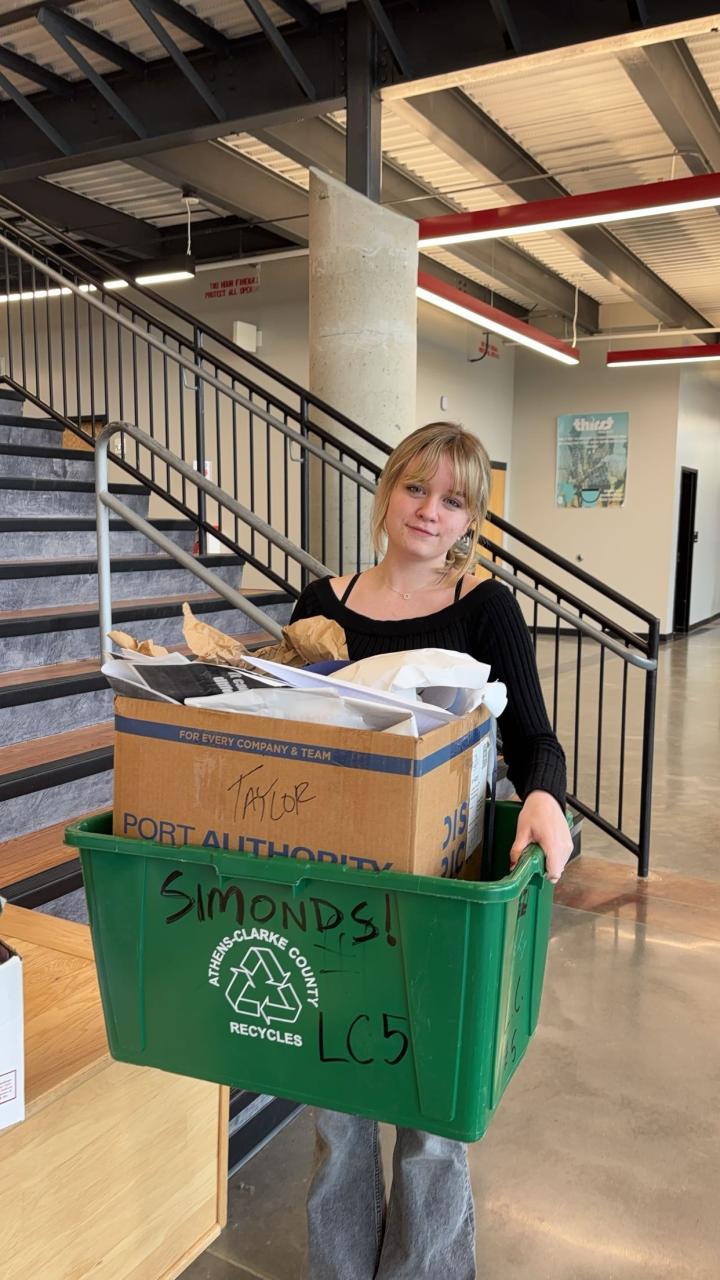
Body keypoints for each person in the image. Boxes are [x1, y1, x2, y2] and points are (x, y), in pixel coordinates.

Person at [290, 421, 573, 1280]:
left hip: (441, 896)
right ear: (387, 490)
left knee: (432, 1122)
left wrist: (545, 798)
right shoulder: (321, 605)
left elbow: (534, 738)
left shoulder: (485, 607)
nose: (430, 511)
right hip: (331, 894)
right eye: (416, 488)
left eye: (453, 500)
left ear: (471, 519)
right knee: (337, 1117)